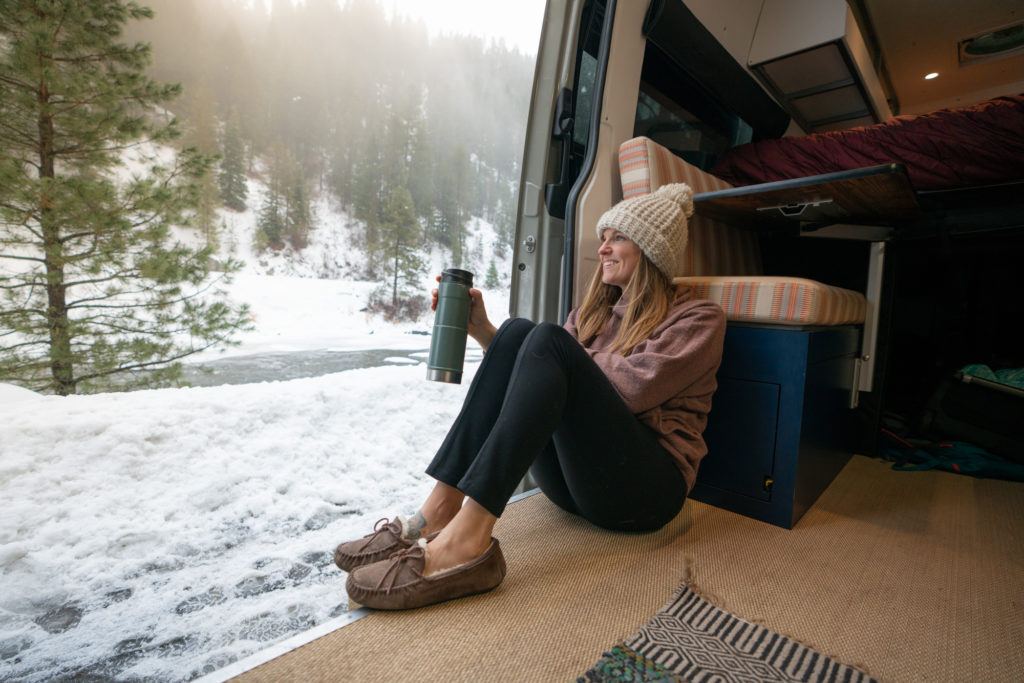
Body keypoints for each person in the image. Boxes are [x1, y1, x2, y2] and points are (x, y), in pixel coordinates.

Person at [335, 183, 726, 610]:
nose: (604, 249)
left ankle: (467, 542)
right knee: (520, 331)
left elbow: (633, 389)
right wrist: (486, 331)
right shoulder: (591, 314)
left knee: (545, 338)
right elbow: (542, 380)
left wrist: (562, 353)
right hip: (574, 486)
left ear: (652, 249)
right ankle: (440, 508)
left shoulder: (699, 318)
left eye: (618, 237)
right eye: (603, 239)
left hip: (645, 494)